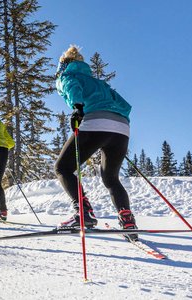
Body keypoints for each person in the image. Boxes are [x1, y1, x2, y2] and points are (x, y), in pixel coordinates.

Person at [53, 45, 137, 241]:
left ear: (63, 65)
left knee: (62, 168)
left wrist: (78, 108)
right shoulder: (100, 83)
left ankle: (84, 213)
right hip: (121, 128)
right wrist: (114, 123)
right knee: (111, 178)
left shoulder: (67, 76)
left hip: (95, 122)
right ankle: (128, 221)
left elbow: (72, 89)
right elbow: (125, 105)